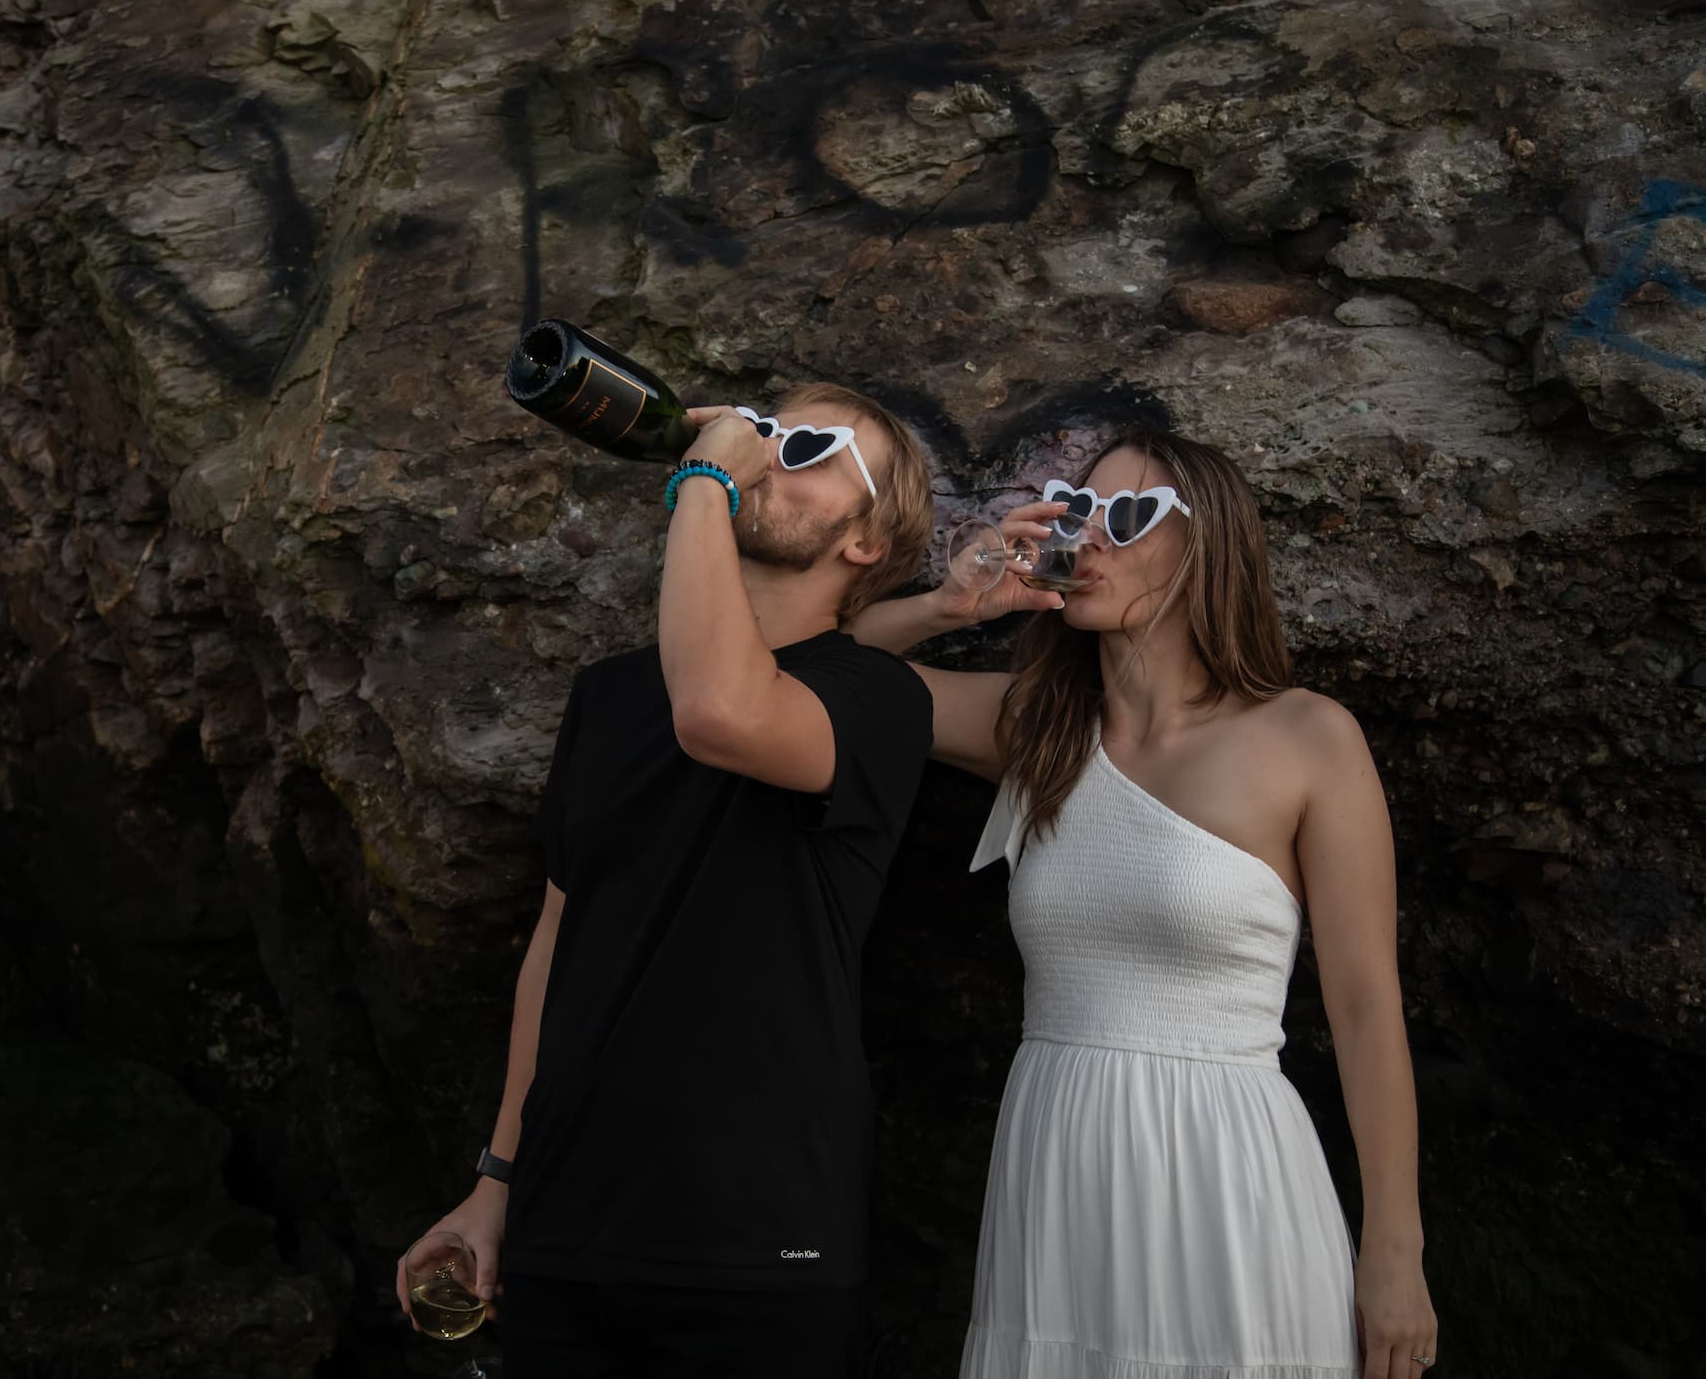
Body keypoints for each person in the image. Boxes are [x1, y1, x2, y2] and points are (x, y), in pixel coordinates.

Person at [396, 384, 1053, 1376]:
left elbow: (724, 709)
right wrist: (496, 1179)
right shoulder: (608, 697)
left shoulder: (880, 700)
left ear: (865, 542)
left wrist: (705, 478)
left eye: (818, 447)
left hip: (758, 1231)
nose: (775, 449)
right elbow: (554, 946)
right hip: (570, 1219)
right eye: (771, 427)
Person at [849, 428, 1439, 1379]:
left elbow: (1369, 1010)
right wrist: (947, 605)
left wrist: (1396, 1254)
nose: (1090, 541)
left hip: (1227, 1173)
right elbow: (828, 674)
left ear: (1206, 545)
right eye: (1079, 513)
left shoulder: (1307, 738)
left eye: (1127, 517)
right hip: (1058, 1163)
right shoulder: (1033, 728)